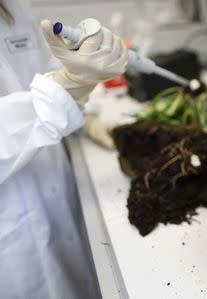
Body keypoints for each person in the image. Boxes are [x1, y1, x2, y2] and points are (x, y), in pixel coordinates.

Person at [0, 0, 127, 298]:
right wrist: (65, 89)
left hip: (56, 186)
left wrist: (86, 110)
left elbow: (36, 75)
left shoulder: (13, 5)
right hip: (13, 237)